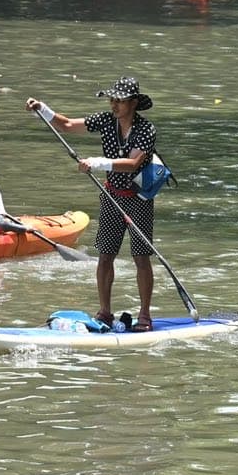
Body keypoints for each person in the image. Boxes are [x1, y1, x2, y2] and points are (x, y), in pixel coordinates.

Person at [26, 77, 159, 331]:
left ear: (133, 103)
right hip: (111, 195)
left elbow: (132, 164)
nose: (113, 105)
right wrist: (43, 109)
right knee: (105, 256)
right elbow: (66, 125)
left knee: (141, 257)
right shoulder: (106, 120)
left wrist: (98, 163)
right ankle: (105, 312)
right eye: (111, 100)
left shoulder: (146, 130)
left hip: (139, 198)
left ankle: (144, 315)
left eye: (119, 101)